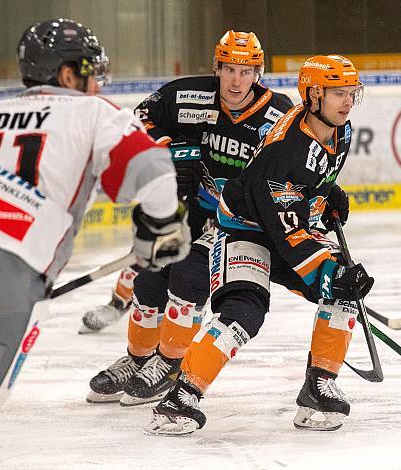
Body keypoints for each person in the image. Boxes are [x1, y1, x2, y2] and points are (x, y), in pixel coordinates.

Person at [0, 18, 186, 447]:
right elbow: (153, 172)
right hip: (8, 269)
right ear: (67, 74)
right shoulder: (93, 112)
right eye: (90, 72)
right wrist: (161, 231)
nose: (97, 84)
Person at [143, 54, 374, 436]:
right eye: (337, 93)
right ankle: (181, 397)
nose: (347, 101)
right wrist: (328, 272)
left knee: (343, 295)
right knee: (244, 311)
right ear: (313, 94)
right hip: (244, 228)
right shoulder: (286, 150)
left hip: (283, 222)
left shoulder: (339, 128)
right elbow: (287, 234)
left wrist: (325, 193)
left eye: (351, 93)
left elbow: (306, 185)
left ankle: (319, 385)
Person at [86, 30, 294, 405]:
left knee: (187, 276)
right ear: (217, 68)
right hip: (198, 207)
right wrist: (167, 151)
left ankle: (169, 363)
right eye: (229, 69)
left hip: (242, 223)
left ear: (258, 74)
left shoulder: (280, 114)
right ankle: (138, 359)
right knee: (149, 277)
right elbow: (144, 117)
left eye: (245, 71)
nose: (236, 80)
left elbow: (295, 170)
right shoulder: (189, 94)